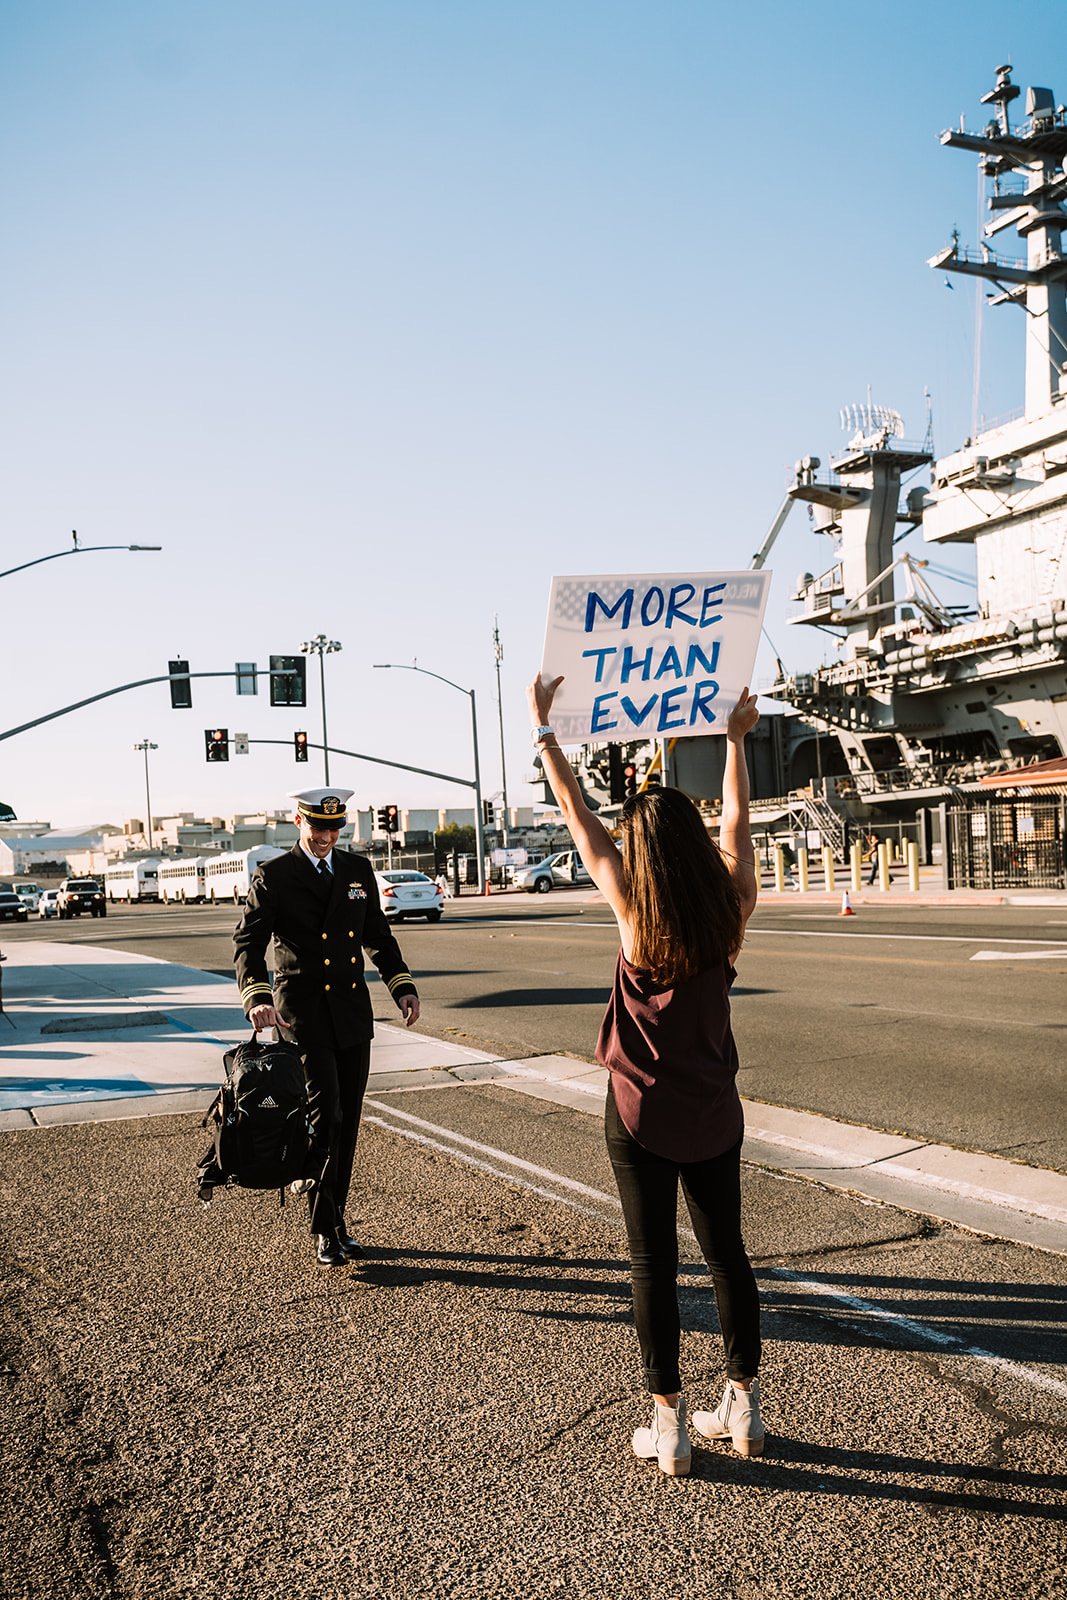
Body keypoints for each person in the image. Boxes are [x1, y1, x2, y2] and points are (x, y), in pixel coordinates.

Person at [528, 676, 763, 1477]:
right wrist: (735, 741)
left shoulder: (634, 911)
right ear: (694, 848)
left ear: (639, 855)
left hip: (636, 1112)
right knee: (726, 1254)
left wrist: (546, 736)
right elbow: (735, 825)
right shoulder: (730, 909)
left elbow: (581, 824)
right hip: (714, 1112)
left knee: (650, 1263)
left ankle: (667, 1425)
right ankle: (744, 1406)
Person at [234, 787, 420, 1268]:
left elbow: (377, 935)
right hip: (303, 1017)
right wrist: (256, 996)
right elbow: (249, 944)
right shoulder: (274, 876)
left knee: (349, 1120)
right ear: (298, 821)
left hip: (353, 1016)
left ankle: (335, 1215)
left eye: (335, 829)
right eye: (318, 828)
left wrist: (401, 986)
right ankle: (325, 1227)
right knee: (325, 1118)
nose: (326, 837)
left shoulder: (357, 872)